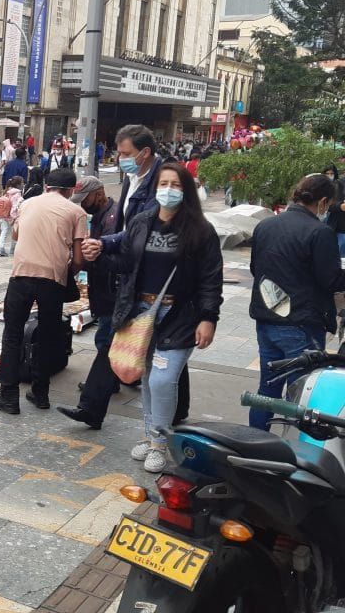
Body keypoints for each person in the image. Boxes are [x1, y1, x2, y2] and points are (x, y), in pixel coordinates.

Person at [106, 162, 222, 472]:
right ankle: (149, 435)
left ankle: (159, 442)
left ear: (186, 190)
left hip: (179, 314)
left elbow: (211, 279)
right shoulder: (142, 222)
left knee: (162, 380)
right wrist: (98, 254)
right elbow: (127, 263)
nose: (168, 190)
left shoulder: (201, 230)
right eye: (163, 183)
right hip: (141, 313)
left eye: (175, 184)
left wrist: (208, 317)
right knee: (146, 377)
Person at [83, 124, 190, 423]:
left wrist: (208, 317)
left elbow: (142, 227)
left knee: (158, 354)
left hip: (157, 280)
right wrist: (108, 245)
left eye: (125, 153)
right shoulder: (133, 178)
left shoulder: (163, 184)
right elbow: (130, 227)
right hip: (134, 269)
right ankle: (94, 407)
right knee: (160, 353)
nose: (120, 158)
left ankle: (96, 407)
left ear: (145, 152)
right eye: (119, 152)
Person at [248, 173, 345, 429]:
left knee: (267, 389)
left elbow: (256, 269)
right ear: (323, 202)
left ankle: (255, 441)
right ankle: (294, 447)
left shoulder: (265, 225)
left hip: (267, 319)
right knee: (301, 393)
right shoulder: (320, 232)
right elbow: (330, 280)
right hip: (301, 323)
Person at [0, 168, 86, 414]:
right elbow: (79, 260)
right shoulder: (77, 212)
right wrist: (66, 272)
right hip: (53, 280)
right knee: (47, 336)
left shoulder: (27, 204)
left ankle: (8, 396)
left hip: (21, 276)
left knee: (12, 334)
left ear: (47, 186)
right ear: (70, 190)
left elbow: (17, 235)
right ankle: (40, 394)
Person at [57, 177, 123, 429]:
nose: (83, 205)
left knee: (107, 342)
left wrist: (90, 258)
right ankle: (109, 382)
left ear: (99, 193)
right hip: (102, 290)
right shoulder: (98, 217)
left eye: (85, 199)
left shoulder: (114, 216)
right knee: (106, 341)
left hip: (112, 291)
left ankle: (97, 396)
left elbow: (116, 257)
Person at [0, 176, 24, 257]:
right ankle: (13, 249)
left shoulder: (7, 192)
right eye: (22, 183)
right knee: (14, 233)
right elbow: (15, 207)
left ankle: (0, 248)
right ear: (18, 185)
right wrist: (14, 217)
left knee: (4, 232)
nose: (23, 184)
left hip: (4, 215)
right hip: (12, 217)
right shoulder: (17, 195)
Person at [322, 164, 345, 256]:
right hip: (336, 226)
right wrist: (340, 206)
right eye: (327, 173)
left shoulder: (338, 184)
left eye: (331, 173)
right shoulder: (337, 185)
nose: (329, 176)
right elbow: (327, 205)